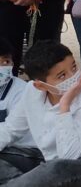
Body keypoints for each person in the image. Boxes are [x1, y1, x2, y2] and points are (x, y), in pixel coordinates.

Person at [0, 41, 81, 186]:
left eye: (74, 67)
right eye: (62, 76)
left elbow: (70, 155)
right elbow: (11, 129)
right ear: (40, 85)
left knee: (56, 169)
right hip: (48, 160)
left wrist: (64, 106)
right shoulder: (31, 92)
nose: (73, 77)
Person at [0, 38, 43, 183]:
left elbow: (11, 132)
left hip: (26, 151)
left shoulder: (22, 91)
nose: (3, 67)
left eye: (6, 61)